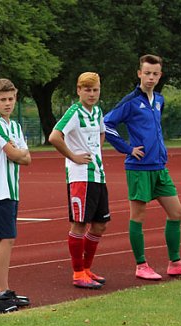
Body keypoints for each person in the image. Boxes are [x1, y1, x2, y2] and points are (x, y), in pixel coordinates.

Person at [104, 54, 181, 280]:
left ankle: (175, 263)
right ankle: (141, 265)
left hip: (159, 167)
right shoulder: (130, 101)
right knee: (138, 216)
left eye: (155, 74)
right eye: (146, 73)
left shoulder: (159, 100)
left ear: (160, 75)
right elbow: (106, 124)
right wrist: (127, 149)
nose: (150, 77)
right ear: (139, 73)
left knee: (177, 212)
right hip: (138, 168)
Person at [48, 72, 110, 290]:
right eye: (87, 90)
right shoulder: (74, 112)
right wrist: (73, 156)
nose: (92, 94)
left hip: (98, 175)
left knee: (100, 225)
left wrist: (96, 152)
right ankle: (77, 273)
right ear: (79, 90)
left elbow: (102, 133)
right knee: (80, 223)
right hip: (81, 177)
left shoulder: (98, 112)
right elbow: (55, 136)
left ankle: (87, 268)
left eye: (95, 90)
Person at [0, 78, 32, 300]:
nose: (7, 103)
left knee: (9, 238)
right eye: (3, 99)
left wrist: (19, 153)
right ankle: (0, 288)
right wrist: (18, 153)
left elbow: (27, 158)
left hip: (13, 188)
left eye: (11, 99)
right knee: (5, 237)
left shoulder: (15, 126)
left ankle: (2, 287)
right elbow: (14, 154)